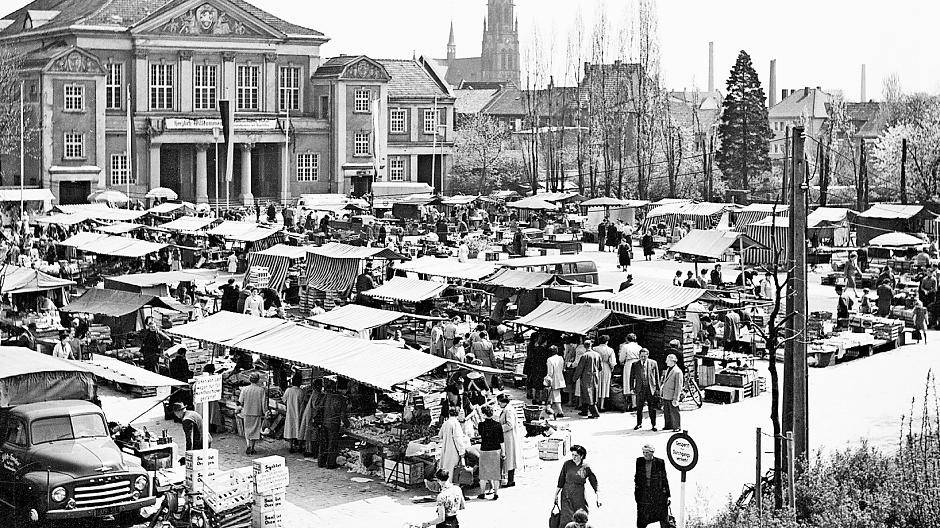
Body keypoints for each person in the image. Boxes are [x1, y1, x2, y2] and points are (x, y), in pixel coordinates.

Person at [554, 445, 600, 527]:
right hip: (566, 495)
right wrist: (556, 494)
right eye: (572, 455)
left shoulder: (586, 467)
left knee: (580, 518)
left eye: (576, 455)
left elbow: (594, 481)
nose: (573, 457)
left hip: (579, 496)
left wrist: (598, 496)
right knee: (566, 518)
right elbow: (561, 480)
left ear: (581, 456)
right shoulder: (567, 464)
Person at [316, 379, 350, 469]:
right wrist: (348, 425)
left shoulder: (327, 396)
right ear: (344, 389)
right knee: (332, 444)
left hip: (324, 422)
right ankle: (330, 464)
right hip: (334, 424)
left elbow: (320, 408)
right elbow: (343, 415)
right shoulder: (342, 399)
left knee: (323, 444)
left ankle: (321, 462)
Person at [635, 444, 671, 528]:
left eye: (647, 452)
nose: (645, 454)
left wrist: (668, 495)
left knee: (662, 516)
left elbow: (664, 478)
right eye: (643, 452)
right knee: (642, 518)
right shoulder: (639, 461)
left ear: (652, 452)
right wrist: (637, 491)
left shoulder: (659, 462)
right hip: (644, 494)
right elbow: (637, 476)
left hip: (657, 494)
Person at [476, 405, 504, 500]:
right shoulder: (498, 425)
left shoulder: (481, 425)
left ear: (484, 414)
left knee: (483, 474)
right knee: (496, 474)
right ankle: (496, 493)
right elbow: (501, 440)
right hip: (496, 450)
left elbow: (480, 434)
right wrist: (503, 452)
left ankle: (482, 493)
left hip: (484, 450)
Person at [630, 348, 660, 431]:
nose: (643, 358)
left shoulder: (653, 363)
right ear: (639, 356)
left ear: (648, 355)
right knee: (639, 408)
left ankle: (654, 425)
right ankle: (639, 424)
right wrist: (632, 388)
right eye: (641, 356)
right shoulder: (635, 364)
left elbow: (656, 376)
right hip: (640, 389)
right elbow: (632, 377)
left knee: (652, 407)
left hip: (650, 388)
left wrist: (657, 388)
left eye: (644, 356)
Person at [238, 372, 267, 455]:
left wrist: (239, 408)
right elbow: (263, 403)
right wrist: (265, 412)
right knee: (255, 430)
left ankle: (248, 445)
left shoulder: (245, 389)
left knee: (247, 430)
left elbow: (240, 401)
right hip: (256, 412)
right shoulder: (261, 390)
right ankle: (253, 447)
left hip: (247, 412)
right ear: (258, 380)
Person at [439, 407, 470, 484]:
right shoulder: (456, 423)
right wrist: (462, 452)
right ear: (458, 414)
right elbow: (458, 439)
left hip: (445, 449)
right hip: (453, 451)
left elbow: (440, 435)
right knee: (453, 471)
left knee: (445, 469)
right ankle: (451, 488)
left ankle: (444, 486)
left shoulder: (446, 423)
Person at [497, 393, 519, 487]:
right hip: (507, 436)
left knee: (509, 458)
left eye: (499, 403)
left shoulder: (508, 410)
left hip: (509, 437)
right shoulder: (506, 409)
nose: (498, 405)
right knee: (509, 458)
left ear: (503, 402)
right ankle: (510, 479)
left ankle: (510, 480)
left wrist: (498, 428)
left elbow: (510, 424)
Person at [574, 341, 601, 419]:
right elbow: (600, 367)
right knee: (592, 393)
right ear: (591, 345)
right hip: (595, 376)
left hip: (586, 377)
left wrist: (575, 378)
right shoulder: (597, 355)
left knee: (587, 394)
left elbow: (580, 368)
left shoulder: (584, 356)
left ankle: (595, 413)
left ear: (584, 347)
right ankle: (584, 411)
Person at [298, 378, 324, 457]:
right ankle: (310, 450)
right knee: (312, 435)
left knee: (309, 433)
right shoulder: (316, 394)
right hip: (311, 415)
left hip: (309, 414)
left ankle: (308, 449)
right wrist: (322, 405)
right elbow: (315, 406)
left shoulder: (314, 393)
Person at [282, 374, 305, 454]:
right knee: (297, 429)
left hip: (290, 413)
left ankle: (291, 446)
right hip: (298, 413)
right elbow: (302, 403)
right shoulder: (301, 391)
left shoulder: (288, 390)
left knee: (290, 429)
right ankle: (299, 446)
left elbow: (284, 400)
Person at [661, 354, 683, 432]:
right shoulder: (668, 369)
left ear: (672, 361)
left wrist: (676, 398)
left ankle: (677, 426)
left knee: (674, 412)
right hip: (666, 395)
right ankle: (668, 425)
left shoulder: (678, 372)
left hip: (672, 395)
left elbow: (678, 386)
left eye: (667, 360)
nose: (666, 361)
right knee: (666, 412)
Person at [594, 335, 616, 412]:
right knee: (604, 385)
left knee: (597, 385)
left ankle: (595, 404)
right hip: (606, 367)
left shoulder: (595, 349)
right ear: (607, 341)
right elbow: (612, 362)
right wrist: (612, 368)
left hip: (596, 367)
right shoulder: (610, 350)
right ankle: (602, 405)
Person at [545, 345, 566, 417]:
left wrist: (547, 378)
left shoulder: (549, 359)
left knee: (555, 395)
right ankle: (548, 408)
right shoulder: (561, 358)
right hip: (560, 377)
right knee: (553, 394)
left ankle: (560, 411)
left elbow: (550, 372)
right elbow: (562, 368)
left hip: (554, 378)